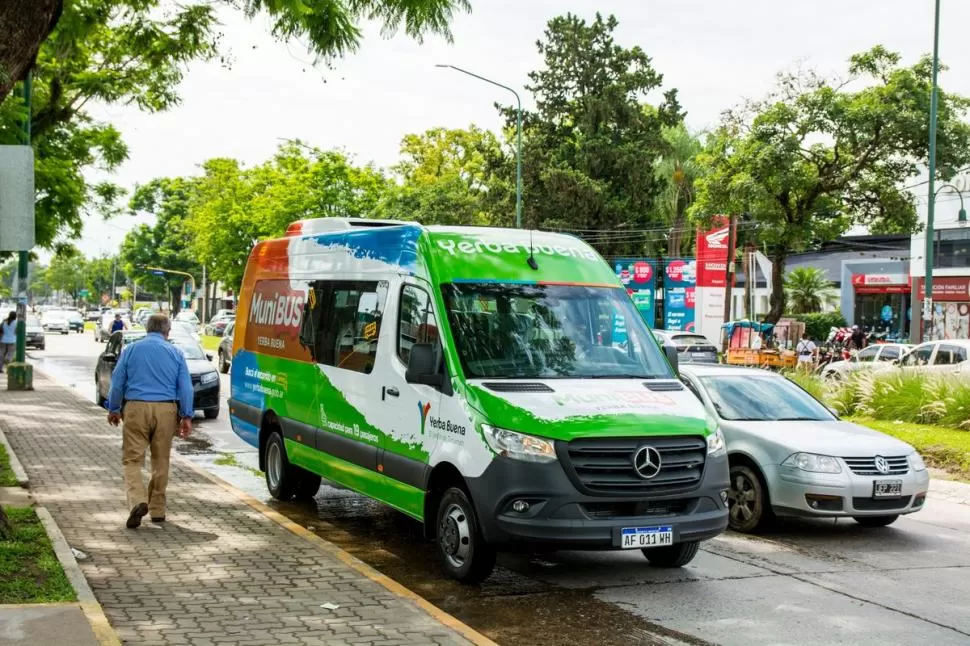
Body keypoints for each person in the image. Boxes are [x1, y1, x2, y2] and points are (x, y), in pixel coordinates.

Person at [106, 314, 193, 529]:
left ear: (147, 328)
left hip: (135, 408)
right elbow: (186, 387)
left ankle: (138, 501)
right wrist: (186, 416)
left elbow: (117, 382)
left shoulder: (131, 350)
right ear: (167, 331)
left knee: (132, 460)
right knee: (161, 460)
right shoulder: (176, 353)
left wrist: (114, 409)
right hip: (166, 410)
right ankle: (157, 510)